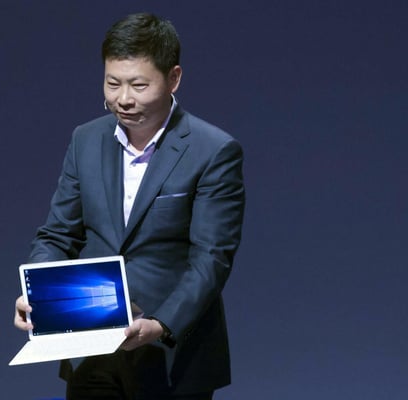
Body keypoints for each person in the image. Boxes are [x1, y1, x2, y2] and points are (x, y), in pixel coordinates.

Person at [14, 12, 245, 400]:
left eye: (139, 85)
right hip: (90, 349)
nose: (123, 99)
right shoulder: (86, 140)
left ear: (173, 78)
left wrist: (161, 324)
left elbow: (211, 258)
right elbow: (58, 234)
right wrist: (36, 294)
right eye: (112, 83)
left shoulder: (213, 151)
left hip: (171, 355)